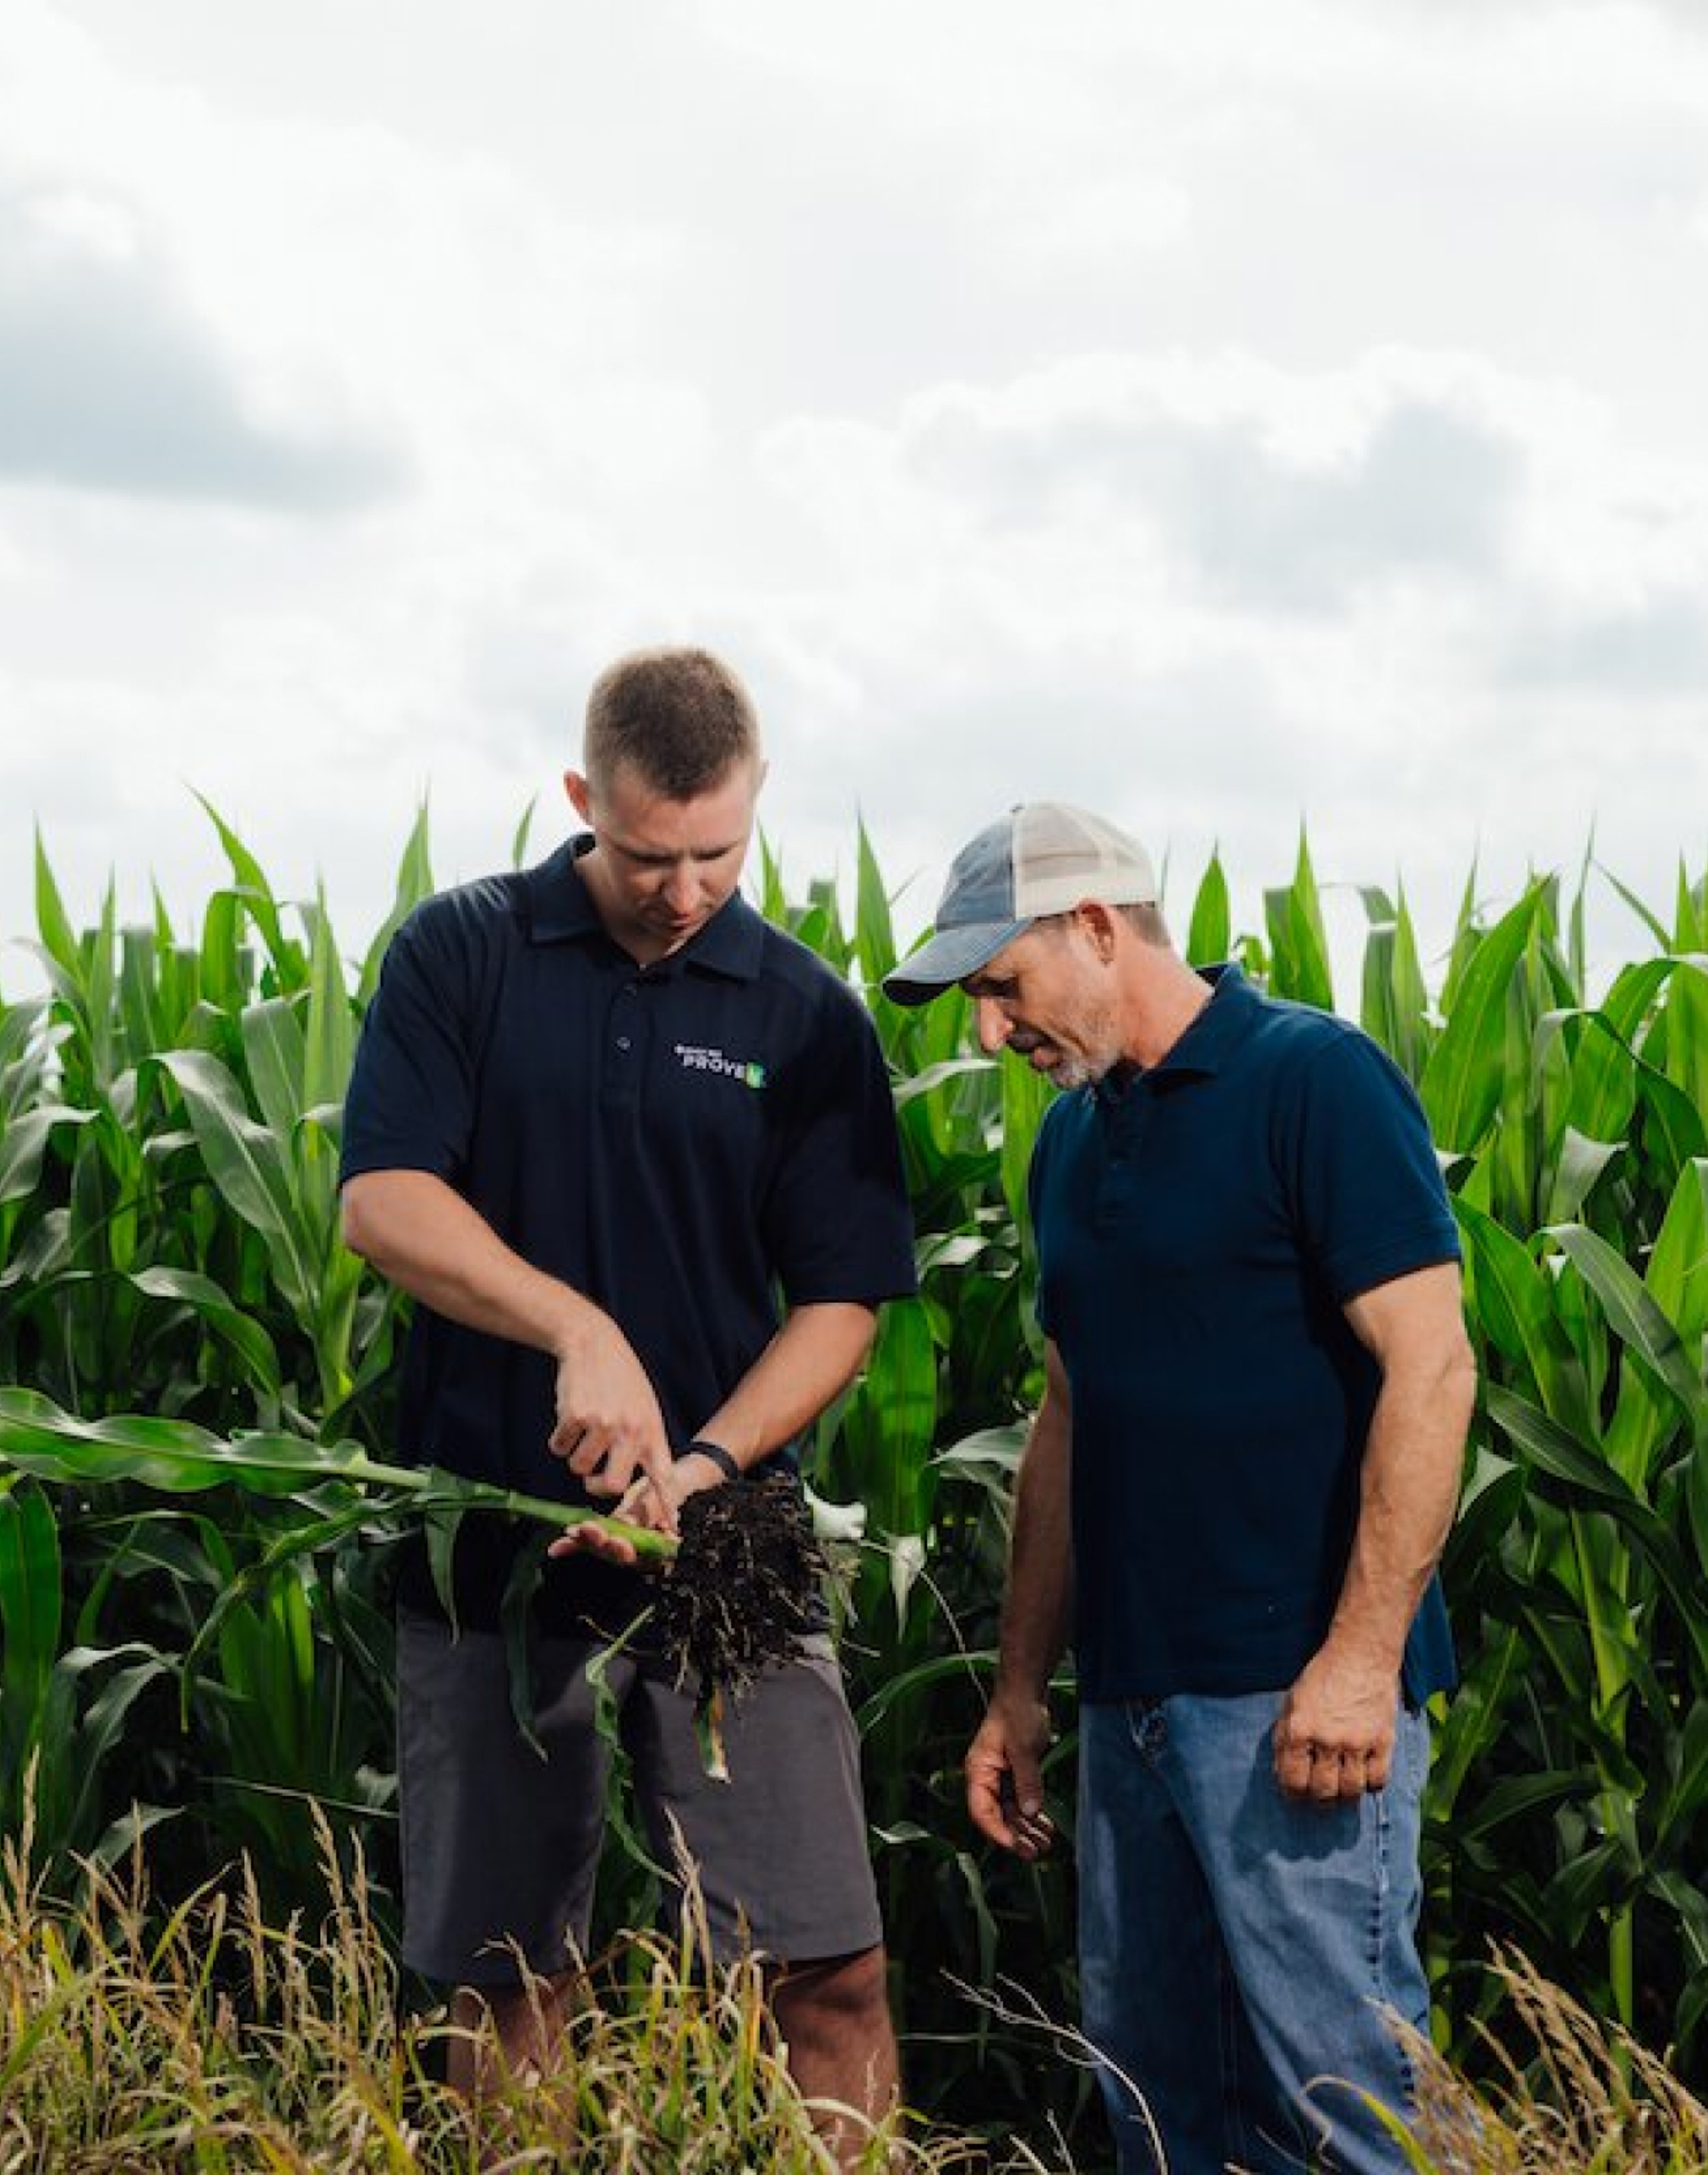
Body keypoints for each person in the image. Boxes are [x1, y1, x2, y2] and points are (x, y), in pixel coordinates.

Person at [338, 646, 919, 2150]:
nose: (684, 889)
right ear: (585, 797)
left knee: (827, 1962)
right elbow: (384, 1202)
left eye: (718, 853)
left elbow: (843, 1302)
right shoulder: (461, 954)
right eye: (651, 853)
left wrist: (711, 1461)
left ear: (757, 801)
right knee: (504, 1975)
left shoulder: (805, 1016)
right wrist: (574, 1328)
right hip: (489, 1540)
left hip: (729, 1553)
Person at [882, 801, 1476, 2175]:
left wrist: (1359, 1660)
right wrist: (1021, 1690)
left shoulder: (1311, 1078)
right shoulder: (1072, 1143)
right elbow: (1068, 1419)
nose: (990, 1033)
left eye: (1000, 987)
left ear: (1098, 927)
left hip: (1295, 1704)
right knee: (1158, 2110)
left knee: (1353, 2105)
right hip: (1132, 1706)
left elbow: (1433, 1372)